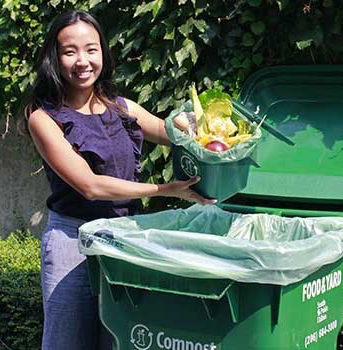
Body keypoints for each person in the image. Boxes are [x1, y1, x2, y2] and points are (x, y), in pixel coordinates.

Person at [25, 9, 215, 350]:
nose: (82, 61)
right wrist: (162, 190)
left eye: (91, 49)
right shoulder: (44, 118)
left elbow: (166, 130)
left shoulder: (122, 107)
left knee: (120, 341)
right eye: (70, 51)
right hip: (74, 243)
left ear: (103, 52)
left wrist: (192, 125)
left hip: (125, 240)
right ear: (54, 58)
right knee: (67, 343)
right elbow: (90, 185)